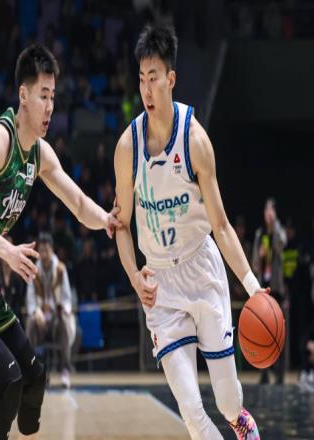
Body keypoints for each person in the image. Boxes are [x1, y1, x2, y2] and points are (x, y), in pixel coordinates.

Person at [0, 44, 120, 440]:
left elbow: (78, 203)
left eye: (53, 97)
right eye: (43, 96)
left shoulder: (40, 154)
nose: (50, 107)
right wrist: (7, 252)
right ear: (23, 95)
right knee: (9, 379)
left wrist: (107, 220)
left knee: (35, 376)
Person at [114, 25, 268, 439]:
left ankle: (239, 420)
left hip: (202, 268)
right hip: (160, 283)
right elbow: (120, 225)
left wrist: (253, 288)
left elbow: (221, 225)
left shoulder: (195, 140)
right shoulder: (127, 148)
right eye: (141, 78)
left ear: (171, 79)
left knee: (227, 401)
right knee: (191, 410)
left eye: (154, 78)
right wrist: (135, 276)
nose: (146, 89)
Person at [26, 233, 76, 389]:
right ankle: (33, 370)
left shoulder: (60, 269)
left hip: (56, 315)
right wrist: (36, 311)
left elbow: (67, 297)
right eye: (41, 250)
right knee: (31, 323)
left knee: (65, 322)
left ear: (52, 250)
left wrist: (61, 310)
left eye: (46, 250)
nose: (44, 254)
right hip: (41, 315)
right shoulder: (34, 270)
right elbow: (30, 298)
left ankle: (65, 370)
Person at [252, 197, 287, 384]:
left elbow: (281, 246)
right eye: (266, 209)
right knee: (262, 331)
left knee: (278, 332)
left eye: (271, 210)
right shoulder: (259, 234)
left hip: (277, 289)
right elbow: (254, 265)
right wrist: (259, 255)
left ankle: (280, 372)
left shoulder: (279, 232)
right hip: (263, 288)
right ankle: (264, 371)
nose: (269, 213)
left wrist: (274, 227)